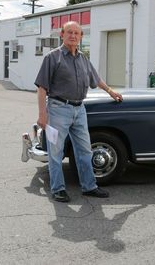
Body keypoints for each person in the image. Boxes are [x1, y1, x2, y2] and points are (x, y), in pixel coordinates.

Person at [35, 21, 123, 202]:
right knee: (56, 152)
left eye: (77, 33)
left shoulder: (83, 59)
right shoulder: (52, 57)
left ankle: (89, 186)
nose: (73, 35)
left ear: (81, 37)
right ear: (62, 34)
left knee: (84, 150)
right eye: (69, 32)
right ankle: (58, 189)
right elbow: (42, 88)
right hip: (58, 109)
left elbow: (96, 79)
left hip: (79, 109)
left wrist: (111, 92)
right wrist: (42, 114)